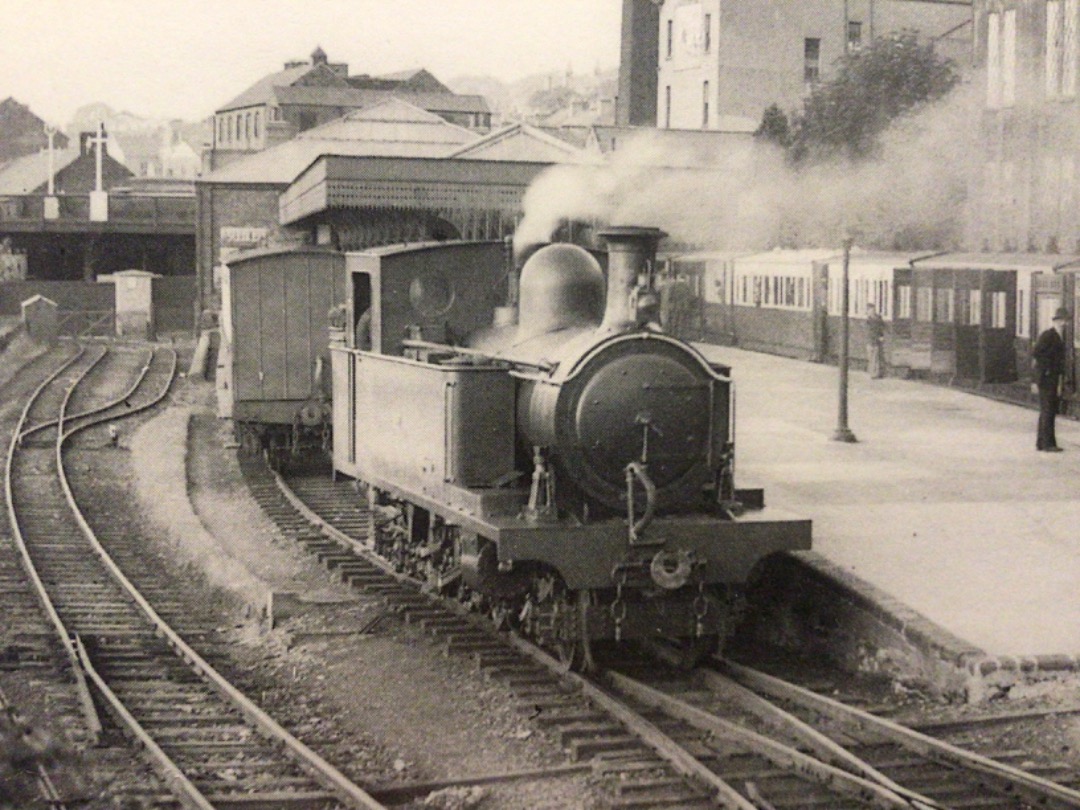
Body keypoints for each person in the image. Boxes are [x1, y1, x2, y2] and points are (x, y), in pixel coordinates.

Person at [1032, 306, 1070, 452]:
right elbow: (1036, 352)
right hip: (1047, 377)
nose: (1065, 324)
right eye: (1064, 321)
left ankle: (1043, 442)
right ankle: (1048, 444)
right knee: (1048, 410)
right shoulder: (1049, 335)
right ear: (1058, 321)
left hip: (1051, 377)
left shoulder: (1058, 336)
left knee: (1048, 410)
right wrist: (1046, 369)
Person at [866, 303, 886, 379]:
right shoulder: (869, 320)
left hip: (875, 341)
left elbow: (880, 328)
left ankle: (875, 373)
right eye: (870, 310)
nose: (872, 311)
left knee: (875, 357)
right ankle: (873, 373)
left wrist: (881, 336)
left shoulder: (876, 319)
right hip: (871, 341)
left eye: (872, 310)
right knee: (872, 357)